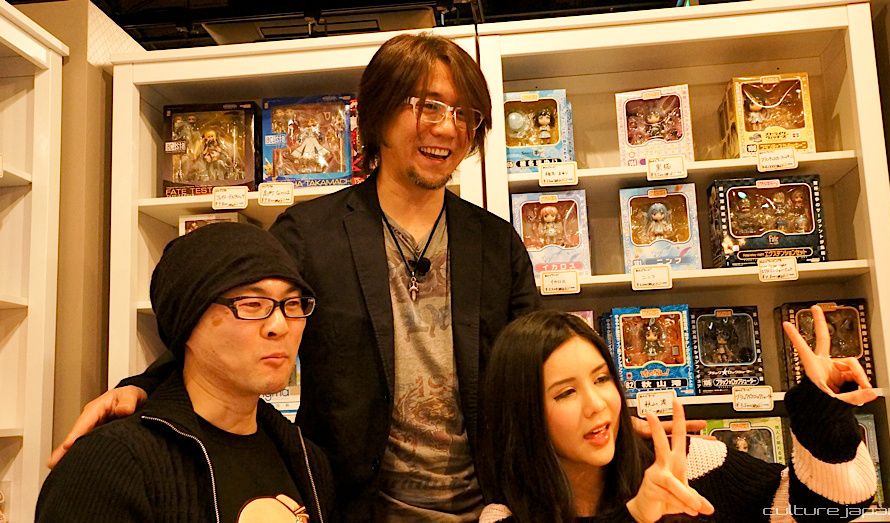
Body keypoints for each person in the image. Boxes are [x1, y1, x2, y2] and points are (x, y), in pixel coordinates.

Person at [50, 33, 541, 521]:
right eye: (429, 107)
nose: (449, 128)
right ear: (379, 112)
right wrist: (143, 385)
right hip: (349, 508)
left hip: (486, 509)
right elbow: (227, 314)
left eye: (465, 114)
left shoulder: (495, 243)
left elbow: (539, 358)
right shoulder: (311, 233)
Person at [36, 222, 334, 522]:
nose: (280, 326)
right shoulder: (111, 463)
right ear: (188, 322)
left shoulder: (306, 461)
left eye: (292, 304)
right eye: (252, 304)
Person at [478, 308, 877, 522]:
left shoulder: (687, 461)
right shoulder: (504, 515)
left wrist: (822, 410)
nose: (596, 404)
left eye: (601, 379)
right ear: (524, 413)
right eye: (566, 392)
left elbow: (824, 510)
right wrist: (636, 515)